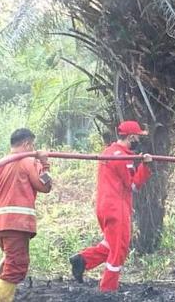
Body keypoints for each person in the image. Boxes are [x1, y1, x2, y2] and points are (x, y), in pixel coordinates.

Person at [69, 120, 152, 292]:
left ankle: (83, 260)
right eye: (137, 137)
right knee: (119, 250)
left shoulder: (108, 151)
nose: (139, 140)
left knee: (111, 244)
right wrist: (145, 167)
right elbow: (133, 186)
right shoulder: (124, 158)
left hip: (103, 207)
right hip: (117, 208)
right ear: (131, 137)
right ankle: (108, 290)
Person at [0, 129, 52, 301]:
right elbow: (45, 186)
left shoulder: (2, 163)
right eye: (33, 145)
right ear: (27, 144)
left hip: (2, 224)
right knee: (15, 267)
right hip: (16, 223)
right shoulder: (28, 161)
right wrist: (44, 163)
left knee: (9, 262)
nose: (33, 148)